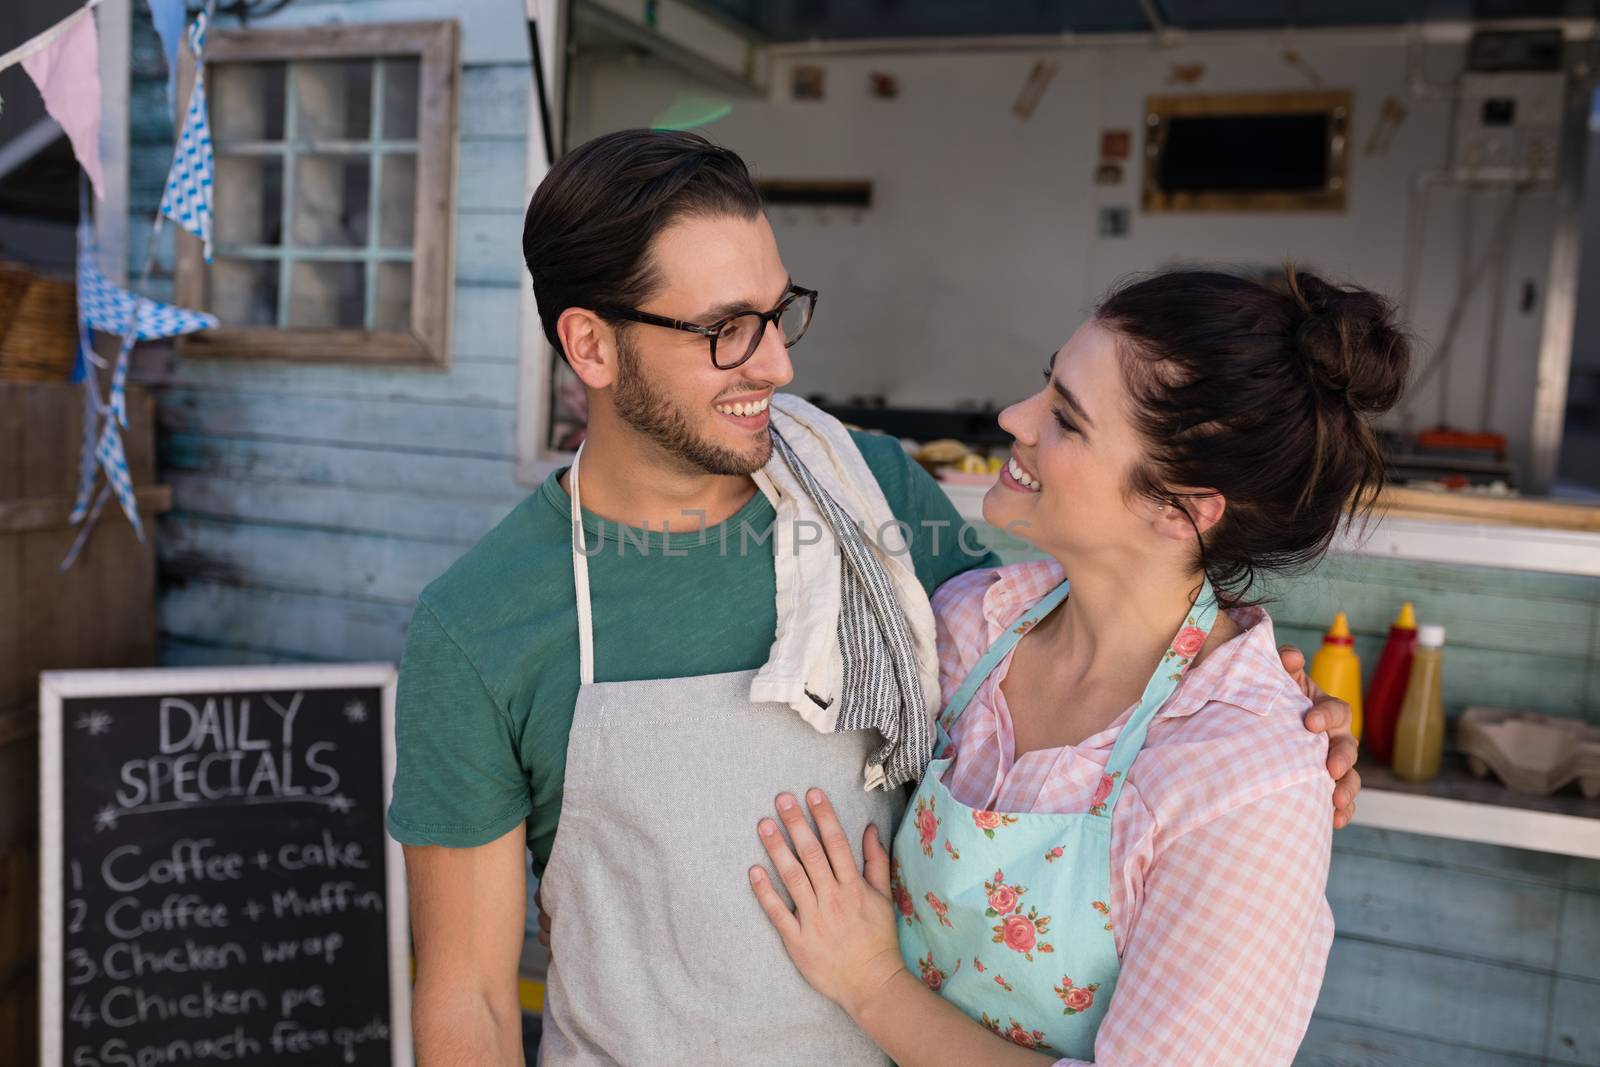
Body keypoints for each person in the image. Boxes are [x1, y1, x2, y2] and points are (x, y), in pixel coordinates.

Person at [385, 129, 1362, 1066]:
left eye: (778, 312)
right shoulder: (483, 625)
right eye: (727, 331)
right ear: (590, 347)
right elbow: (467, 992)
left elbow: (1112, 634)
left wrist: (1268, 717)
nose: (777, 363)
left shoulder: (874, 499)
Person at [746, 268, 1408, 1065]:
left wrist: (874, 984)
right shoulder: (967, 630)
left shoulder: (1242, 779)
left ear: (1182, 508)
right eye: (1044, 384)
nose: (1012, 418)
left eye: (1066, 418)